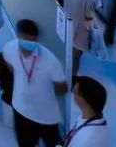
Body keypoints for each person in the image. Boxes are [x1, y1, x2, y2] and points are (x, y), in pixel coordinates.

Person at [4, 19, 68, 147]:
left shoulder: (50, 60)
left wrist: (44, 94)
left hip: (47, 117)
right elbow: (9, 64)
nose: (28, 45)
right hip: (21, 111)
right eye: (25, 40)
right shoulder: (9, 48)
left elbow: (62, 87)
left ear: (37, 39)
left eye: (32, 40)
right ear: (18, 36)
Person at [63, 0, 97, 79]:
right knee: (76, 58)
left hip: (66, 27)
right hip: (80, 34)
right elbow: (89, 20)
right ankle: (73, 78)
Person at [62, 76, 112, 147]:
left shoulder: (89, 138)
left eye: (74, 91)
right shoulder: (87, 119)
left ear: (83, 98)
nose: (73, 95)